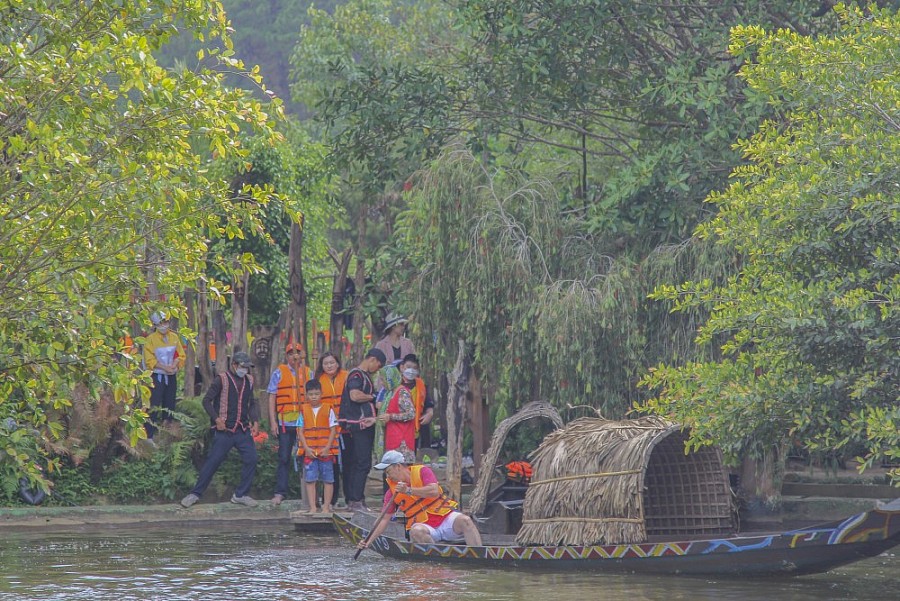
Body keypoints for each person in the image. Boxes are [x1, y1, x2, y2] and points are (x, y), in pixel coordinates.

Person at [180, 352, 260, 508]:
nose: (245, 370)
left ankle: (240, 494)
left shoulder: (249, 381)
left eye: (247, 368)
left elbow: (252, 403)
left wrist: (255, 420)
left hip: (242, 429)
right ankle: (195, 494)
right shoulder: (221, 379)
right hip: (225, 430)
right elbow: (206, 401)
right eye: (243, 367)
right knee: (213, 462)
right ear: (234, 365)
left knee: (251, 459)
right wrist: (216, 419)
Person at [356, 450, 482, 549]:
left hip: (444, 518)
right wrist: (368, 541)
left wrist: (409, 490)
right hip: (424, 527)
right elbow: (384, 519)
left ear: (398, 466)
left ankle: (479, 558)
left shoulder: (423, 471)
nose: (388, 476)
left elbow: (434, 491)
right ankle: (437, 560)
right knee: (416, 531)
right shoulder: (391, 493)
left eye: (388, 471)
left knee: (466, 520)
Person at [266, 341, 313, 506]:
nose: (295, 356)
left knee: (307, 457)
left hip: (303, 423)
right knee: (284, 457)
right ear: (287, 356)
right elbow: (272, 396)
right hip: (285, 422)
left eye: (297, 352)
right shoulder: (279, 372)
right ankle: (280, 492)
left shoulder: (308, 372)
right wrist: (273, 422)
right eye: (291, 353)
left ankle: (309, 494)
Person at [339, 348, 386, 511]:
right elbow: (354, 395)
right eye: (378, 366)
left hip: (364, 424)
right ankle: (356, 499)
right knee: (362, 462)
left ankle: (354, 498)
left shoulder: (366, 377)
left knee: (357, 462)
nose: (377, 370)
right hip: (359, 424)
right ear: (372, 360)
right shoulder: (357, 375)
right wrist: (373, 396)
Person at [297, 379, 338, 513]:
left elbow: (333, 429)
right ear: (306, 395)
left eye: (316, 394)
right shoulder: (303, 410)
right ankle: (313, 507)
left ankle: (326, 506)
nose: (314, 397)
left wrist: (327, 448)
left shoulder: (328, 408)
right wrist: (306, 449)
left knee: (328, 479)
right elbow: (300, 431)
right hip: (310, 451)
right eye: (311, 394)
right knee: (310, 480)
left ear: (321, 394)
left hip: (326, 451)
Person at [143, 311, 184, 440]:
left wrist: (175, 364)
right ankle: (148, 436)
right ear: (155, 324)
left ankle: (167, 435)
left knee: (169, 405)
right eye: (161, 323)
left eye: (165, 322)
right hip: (157, 376)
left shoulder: (174, 337)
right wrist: (164, 367)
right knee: (153, 406)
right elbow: (150, 360)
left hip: (171, 375)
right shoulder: (150, 340)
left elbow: (181, 355)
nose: (164, 325)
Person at [317, 352, 348, 508]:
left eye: (332, 362)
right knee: (331, 466)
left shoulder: (347, 377)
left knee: (347, 464)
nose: (329, 366)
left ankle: (351, 499)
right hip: (327, 429)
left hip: (346, 427)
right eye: (325, 363)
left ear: (337, 363)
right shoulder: (318, 381)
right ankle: (329, 501)